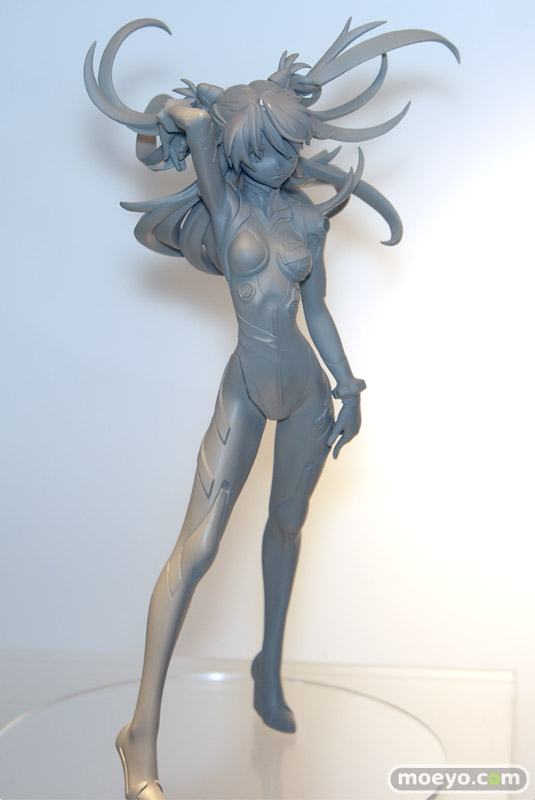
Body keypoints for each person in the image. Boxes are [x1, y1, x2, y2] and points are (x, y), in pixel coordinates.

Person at [85, 17, 459, 800]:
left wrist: (348, 387)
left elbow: (315, 312)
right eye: (264, 149)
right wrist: (201, 111)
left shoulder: (307, 217)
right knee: (195, 552)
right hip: (246, 388)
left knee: (286, 529)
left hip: (308, 396)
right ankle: (139, 734)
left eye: (288, 147)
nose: (281, 162)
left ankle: (266, 668)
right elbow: (188, 126)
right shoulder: (225, 206)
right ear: (239, 150)